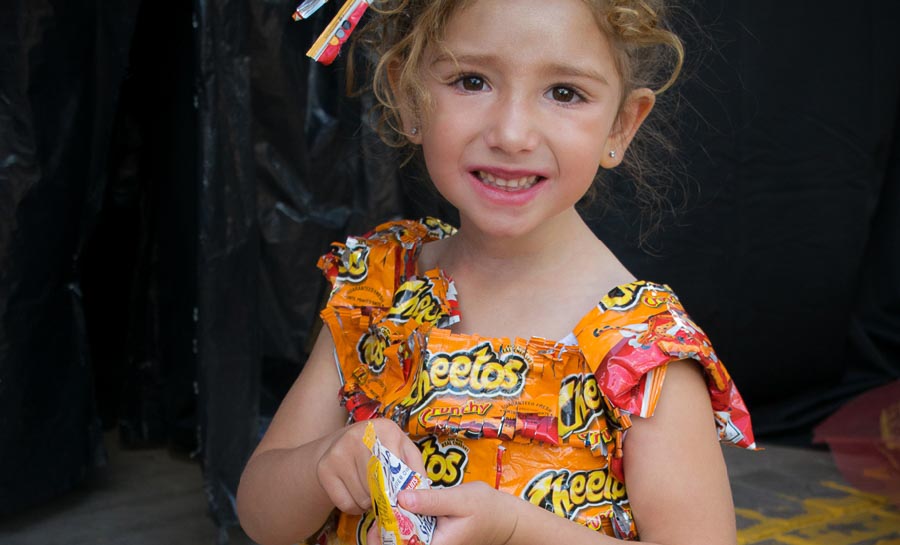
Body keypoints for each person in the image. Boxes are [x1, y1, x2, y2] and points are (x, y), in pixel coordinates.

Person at [236, 1, 756, 544]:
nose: (511, 133)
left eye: (564, 93)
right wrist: (327, 459)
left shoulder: (642, 352)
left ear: (622, 126)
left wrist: (515, 531)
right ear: (408, 96)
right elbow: (261, 516)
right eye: (472, 81)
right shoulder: (378, 289)